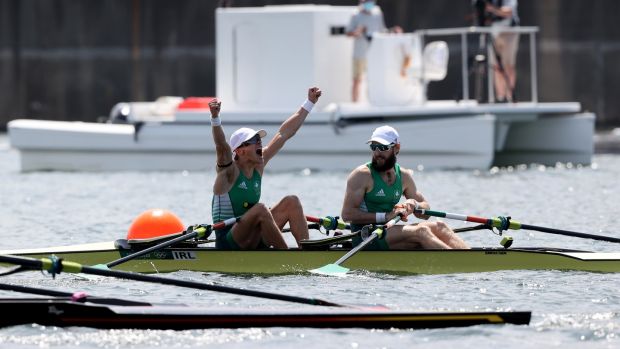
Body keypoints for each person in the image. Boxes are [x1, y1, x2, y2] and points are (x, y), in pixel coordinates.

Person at [209, 87, 322, 250]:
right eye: (254, 140)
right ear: (239, 151)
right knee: (261, 209)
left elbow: (285, 133)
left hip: (252, 235)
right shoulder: (228, 172)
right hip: (229, 240)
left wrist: (310, 103)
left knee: (292, 201)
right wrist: (215, 118)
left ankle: (309, 254)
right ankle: (287, 260)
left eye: (259, 139)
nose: (259, 142)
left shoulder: (259, 165)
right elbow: (221, 145)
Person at [341, 125, 469, 250]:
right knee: (421, 231)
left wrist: (414, 204)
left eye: (382, 147)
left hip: (387, 232)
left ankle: (472, 260)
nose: (377, 153)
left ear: (396, 148)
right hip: (365, 236)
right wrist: (386, 216)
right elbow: (347, 214)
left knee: (441, 226)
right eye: (373, 147)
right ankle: (461, 265)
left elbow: (425, 212)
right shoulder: (362, 175)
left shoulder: (404, 176)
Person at [346, 0, 401, 102]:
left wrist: (393, 31)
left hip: (374, 55)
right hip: (359, 54)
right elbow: (348, 33)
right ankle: (355, 103)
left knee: (373, 79)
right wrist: (358, 31)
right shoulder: (355, 15)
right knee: (357, 80)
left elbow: (382, 31)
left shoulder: (377, 14)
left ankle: (371, 102)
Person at [485, 0, 520, 103]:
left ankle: (510, 97)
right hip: (493, 33)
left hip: (509, 32)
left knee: (509, 66)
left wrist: (492, 9)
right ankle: (500, 97)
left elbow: (508, 11)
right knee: (496, 67)